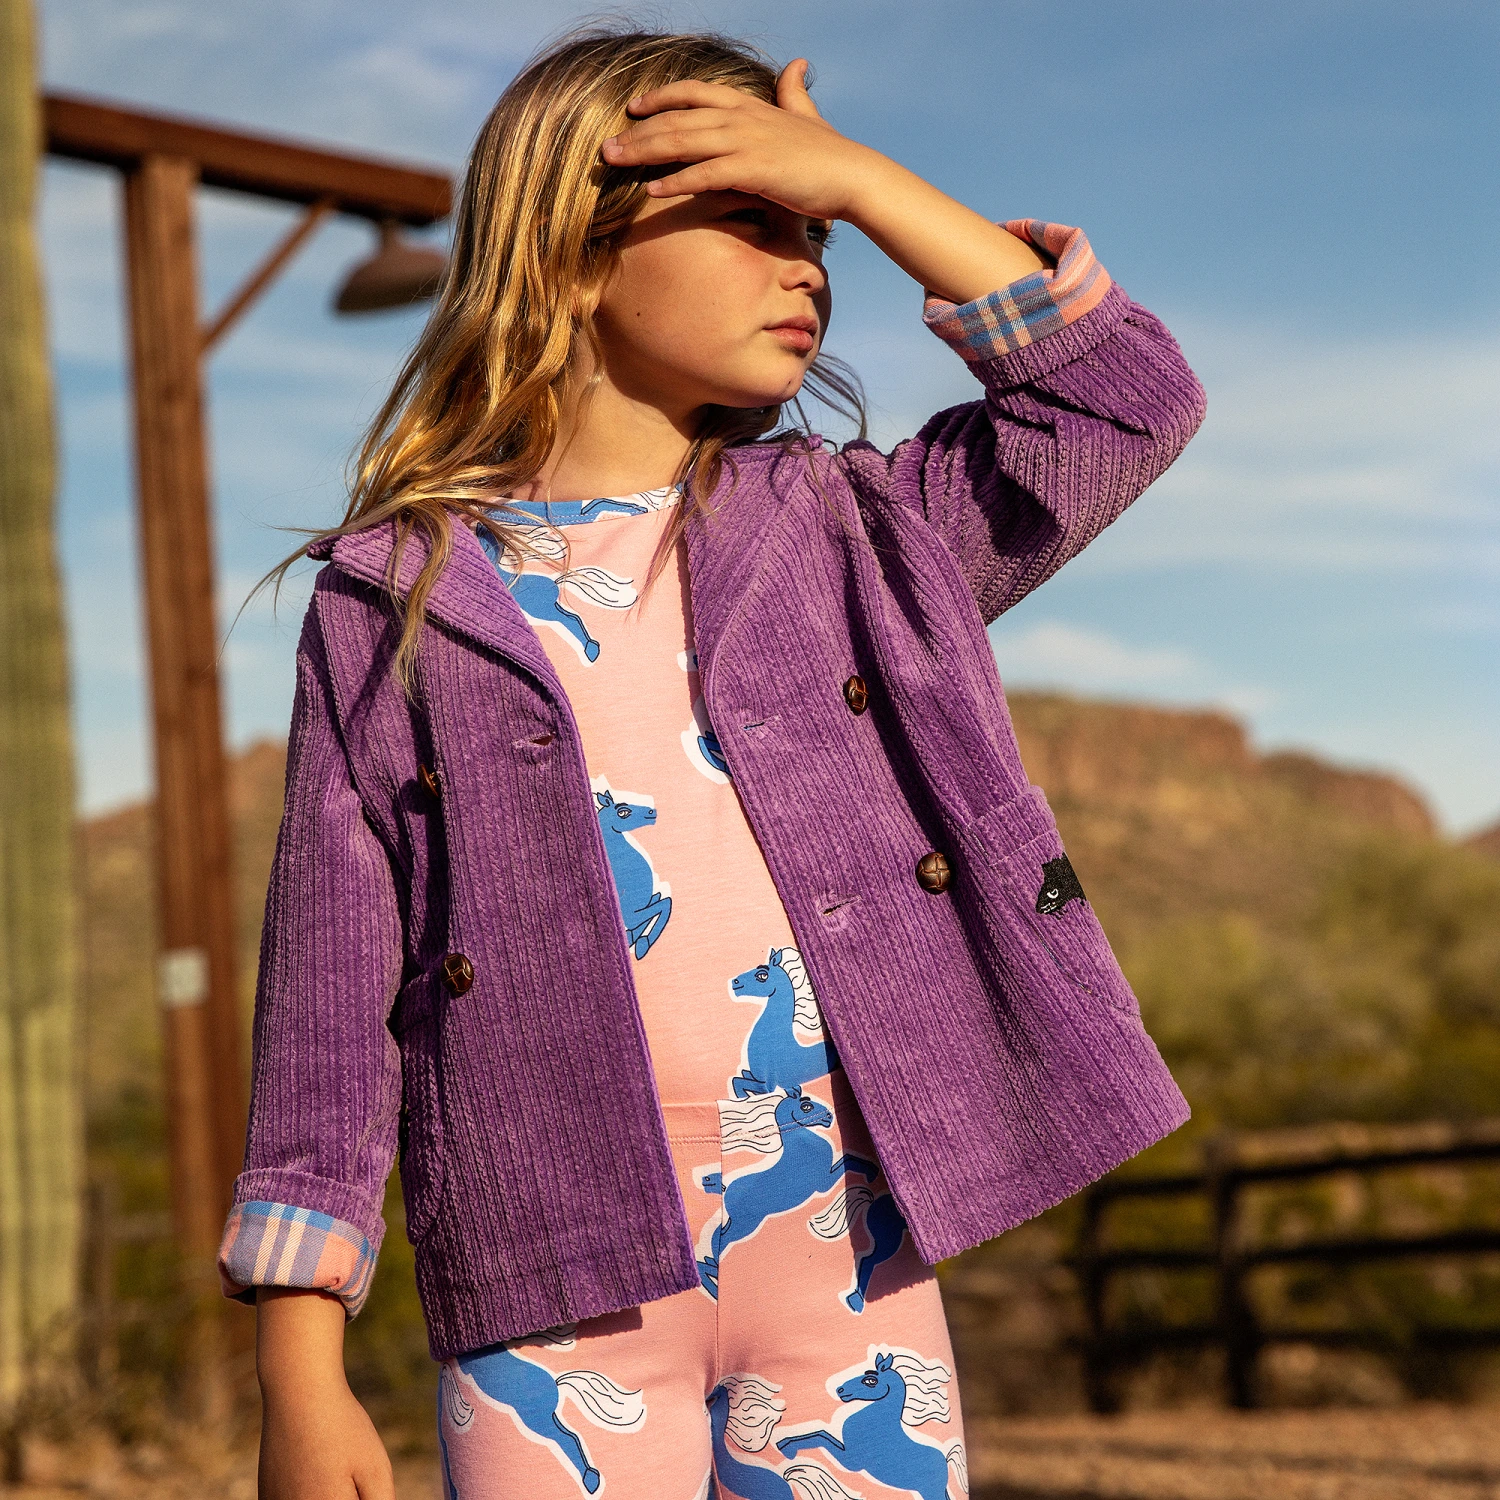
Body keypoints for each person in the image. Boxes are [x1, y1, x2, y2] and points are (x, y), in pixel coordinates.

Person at [223, 24, 1205, 1500]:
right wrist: (298, 1375)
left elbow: (1121, 400)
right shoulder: (392, 601)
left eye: (819, 232)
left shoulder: (856, 533)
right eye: (755, 218)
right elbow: (326, 1004)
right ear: (570, 254)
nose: (808, 266)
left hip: (857, 1273)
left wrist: (861, 179)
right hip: (549, 1300)